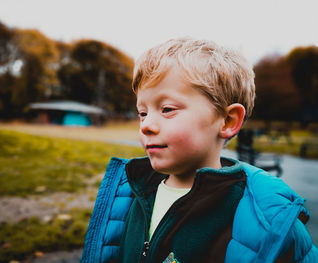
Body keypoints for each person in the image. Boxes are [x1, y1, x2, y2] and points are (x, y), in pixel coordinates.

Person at [81, 38, 318, 262]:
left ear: (227, 121)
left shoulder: (272, 223)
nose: (147, 125)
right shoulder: (131, 193)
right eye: (142, 113)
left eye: (167, 109)